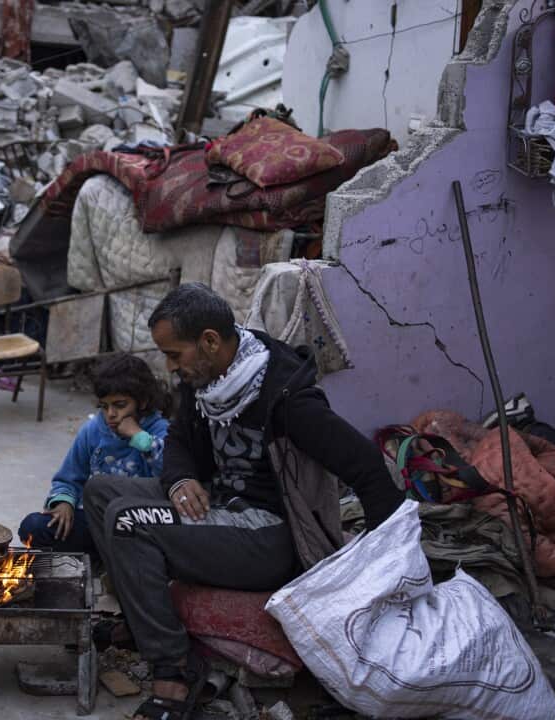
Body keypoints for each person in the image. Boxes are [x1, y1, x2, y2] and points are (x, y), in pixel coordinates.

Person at [84, 283, 403, 720]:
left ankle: (174, 672)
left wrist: (389, 569)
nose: (169, 366)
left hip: (267, 536)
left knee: (128, 518)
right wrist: (180, 480)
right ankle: (144, 622)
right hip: (217, 507)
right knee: (100, 490)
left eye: (175, 355)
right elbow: (178, 440)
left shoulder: (287, 400)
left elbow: (369, 469)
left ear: (210, 342)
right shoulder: (206, 383)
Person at [17, 353, 169, 555]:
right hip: (97, 524)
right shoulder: (93, 430)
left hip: (141, 527)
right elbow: (68, 478)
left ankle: (116, 561)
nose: (111, 415)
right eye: (104, 406)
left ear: (142, 402)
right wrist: (64, 502)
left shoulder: (161, 430)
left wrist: (139, 438)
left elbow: (171, 477)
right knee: (33, 527)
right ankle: (104, 557)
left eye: (120, 405)